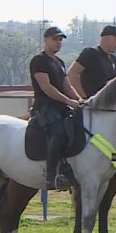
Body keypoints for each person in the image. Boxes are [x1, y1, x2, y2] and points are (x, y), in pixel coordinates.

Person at [30, 27, 84, 190]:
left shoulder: (59, 62)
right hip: (44, 107)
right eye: (55, 39)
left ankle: (69, 168)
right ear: (45, 39)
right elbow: (47, 88)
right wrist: (70, 101)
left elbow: (66, 86)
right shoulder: (39, 60)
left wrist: (80, 100)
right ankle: (51, 175)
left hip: (61, 106)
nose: (58, 43)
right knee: (59, 133)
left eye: (60, 40)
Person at [67, 25, 116, 98]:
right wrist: (83, 98)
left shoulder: (112, 58)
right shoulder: (90, 53)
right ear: (107, 38)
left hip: (107, 105)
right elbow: (71, 73)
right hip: (91, 105)